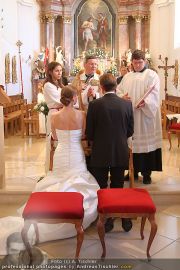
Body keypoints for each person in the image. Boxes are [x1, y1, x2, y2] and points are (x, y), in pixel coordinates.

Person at [0, 86, 99, 256]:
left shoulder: (54, 116)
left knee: (57, 180)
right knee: (78, 181)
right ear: (74, 98)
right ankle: (71, 213)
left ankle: (50, 211)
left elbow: (55, 137)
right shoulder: (81, 115)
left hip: (61, 153)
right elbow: (83, 134)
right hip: (76, 153)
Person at [86, 73, 134, 233]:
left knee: (101, 186)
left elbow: (90, 132)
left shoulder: (94, 105)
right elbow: (130, 130)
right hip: (120, 150)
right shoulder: (127, 105)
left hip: (100, 151)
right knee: (118, 185)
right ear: (116, 87)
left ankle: (106, 218)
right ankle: (119, 215)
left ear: (101, 87)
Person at [117, 49, 162, 184]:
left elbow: (155, 93)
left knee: (147, 145)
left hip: (146, 116)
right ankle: (133, 172)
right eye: (135, 63)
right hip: (131, 115)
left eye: (140, 62)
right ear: (131, 63)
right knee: (132, 143)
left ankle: (147, 173)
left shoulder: (152, 75)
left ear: (145, 62)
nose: (137, 65)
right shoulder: (127, 76)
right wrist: (122, 97)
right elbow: (118, 90)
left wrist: (146, 102)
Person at [43, 61, 64, 172]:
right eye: (57, 71)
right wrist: (71, 101)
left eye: (61, 70)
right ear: (50, 72)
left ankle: (60, 167)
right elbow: (59, 101)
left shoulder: (59, 84)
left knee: (61, 142)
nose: (59, 73)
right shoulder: (48, 85)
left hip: (62, 113)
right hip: (55, 113)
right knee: (54, 142)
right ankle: (52, 169)